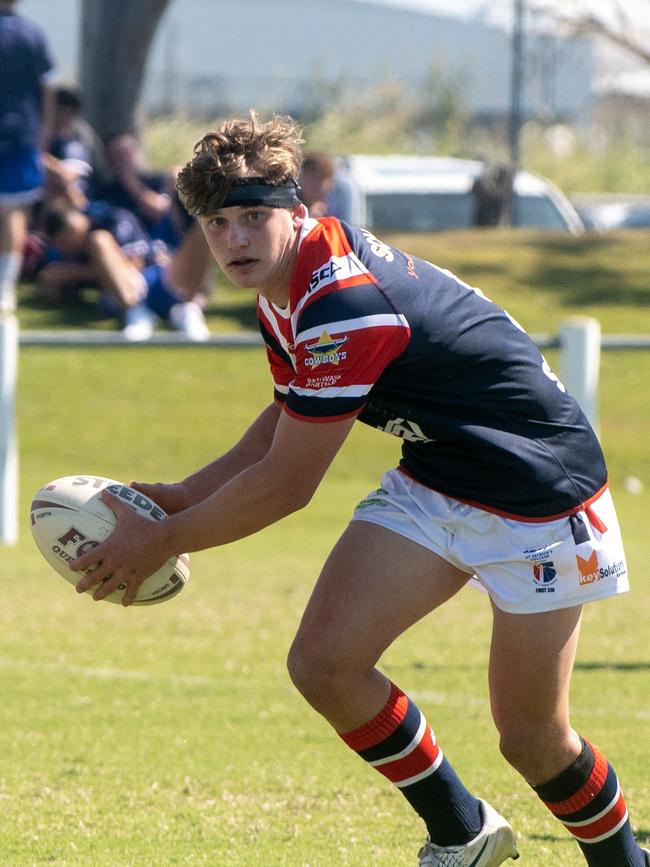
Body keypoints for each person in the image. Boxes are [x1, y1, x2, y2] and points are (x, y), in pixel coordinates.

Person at [70, 113, 648, 867]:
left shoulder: (344, 301)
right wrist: (178, 496)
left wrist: (162, 538)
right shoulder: (288, 284)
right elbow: (281, 421)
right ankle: (463, 832)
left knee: (533, 737)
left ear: (297, 212)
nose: (236, 239)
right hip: (439, 473)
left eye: (253, 217)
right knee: (325, 661)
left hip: (540, 495)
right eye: (217, 223)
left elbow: (285, 483)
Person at [39, 202, 211, 342]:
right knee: (98, 241)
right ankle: (138, 314)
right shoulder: (61, 252)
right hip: (120, 298)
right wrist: (50, 283)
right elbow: (52, 291)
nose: (63, 247)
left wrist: (73, 273)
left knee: (206, 222)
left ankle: (187, 310)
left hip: (148, 279)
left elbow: (135, 264)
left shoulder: (113, 218)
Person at [0, 0, 55, 314]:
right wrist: (43, 136)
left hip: (19, 136)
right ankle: (4, 289)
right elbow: (47, 88)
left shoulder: (28, 33)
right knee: (13, 212)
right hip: (22, 136)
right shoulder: (30, 34)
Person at [298, 149, 337, 217]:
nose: (315, 185)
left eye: (321, 179)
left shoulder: (333, 209)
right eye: (312, 178)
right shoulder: (288, 207)